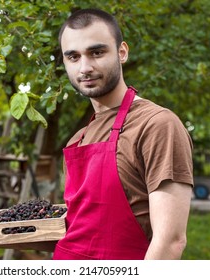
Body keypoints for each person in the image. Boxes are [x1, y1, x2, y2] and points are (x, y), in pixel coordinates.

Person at [53, 8, 194, 260]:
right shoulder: (78, 139)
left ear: (122, 52)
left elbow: (171, 242)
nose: (85, 67)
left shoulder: (156, 125)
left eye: (97, 52)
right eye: (73, 57)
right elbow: (81, 230)